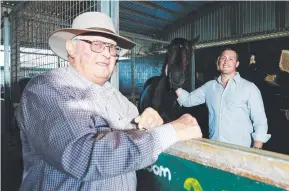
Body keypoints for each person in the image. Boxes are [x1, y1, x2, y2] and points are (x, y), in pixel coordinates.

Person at [15, 12, 202, 191]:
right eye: (97, 44)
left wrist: (149, 123)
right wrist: (168, 132)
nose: (107, 53)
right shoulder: (47, 89)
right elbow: (83, 157)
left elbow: (134, 135)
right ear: (71, 47)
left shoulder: (115, 96)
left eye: (112, 47)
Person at [176, 48, 271, 149]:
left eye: (231, 59)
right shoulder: (209, 87)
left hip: (241, 150)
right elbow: (188, 100)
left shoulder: (249, 88)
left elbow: (260, 120)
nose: (226, 62)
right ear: (218, 62)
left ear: (237, 64)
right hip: (215, 147)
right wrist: (174, 83)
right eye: (223, 58)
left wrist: (257, 149)